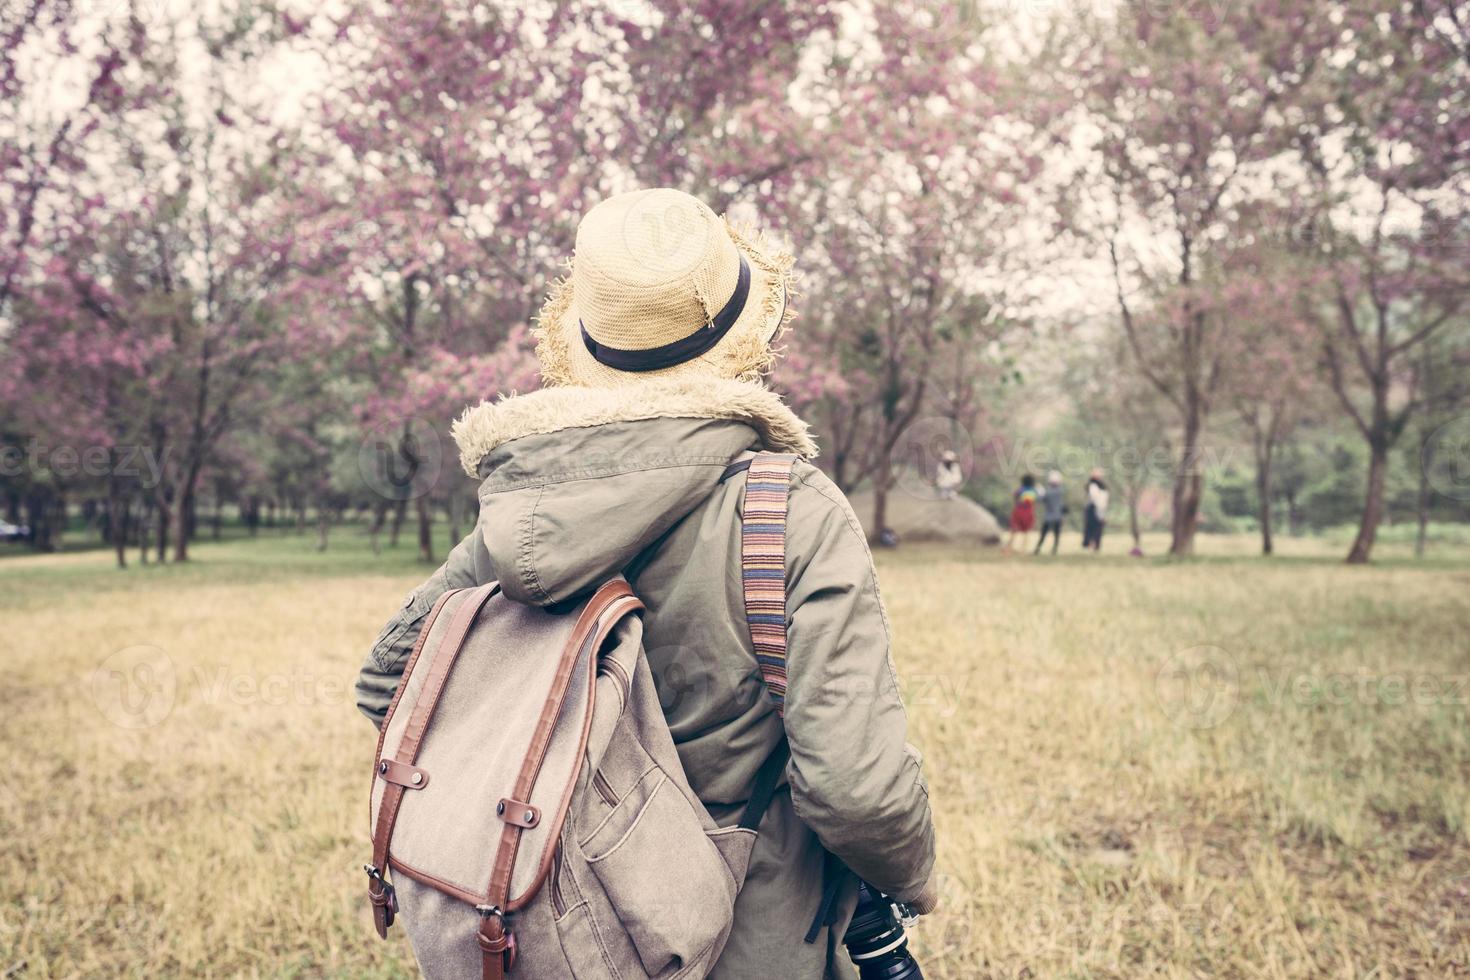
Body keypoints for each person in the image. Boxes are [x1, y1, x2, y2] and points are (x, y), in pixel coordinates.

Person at [354, 188, 937, 978]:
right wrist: (912, 879)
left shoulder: (523, 514)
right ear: (745, 339)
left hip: (554, 938)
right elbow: (855, 790)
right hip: (750, 945)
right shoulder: (789, 508)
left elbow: (388, 682)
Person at [1003, 473, 1038, 554]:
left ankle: (1008, 549)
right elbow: (1034, 501)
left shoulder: (1021, 489)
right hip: (1028, 512)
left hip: (1018, 511)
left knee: (1014, 531)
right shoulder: (1033, 491)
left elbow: (1015, 496)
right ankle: (1023, 550)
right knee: (1026, 532)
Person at [1034, 470, 1065, 555]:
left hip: (1050, 516)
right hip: (1057, 516)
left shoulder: (1052, 491)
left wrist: (1040, 491)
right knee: (1055, 534)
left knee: (1045, 534)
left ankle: (1040, 549)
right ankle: (1052, 549)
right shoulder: (1059, 490)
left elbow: (1041, 498)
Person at [1083, 468, 1109, 551]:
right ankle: (1090, 545)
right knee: (1092, 528)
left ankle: (1095, 545)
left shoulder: (1101, 485)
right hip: (1093, 508)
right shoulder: (1092, 485)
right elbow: (1094, 497)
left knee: (1098, 528)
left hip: (1100, 508)